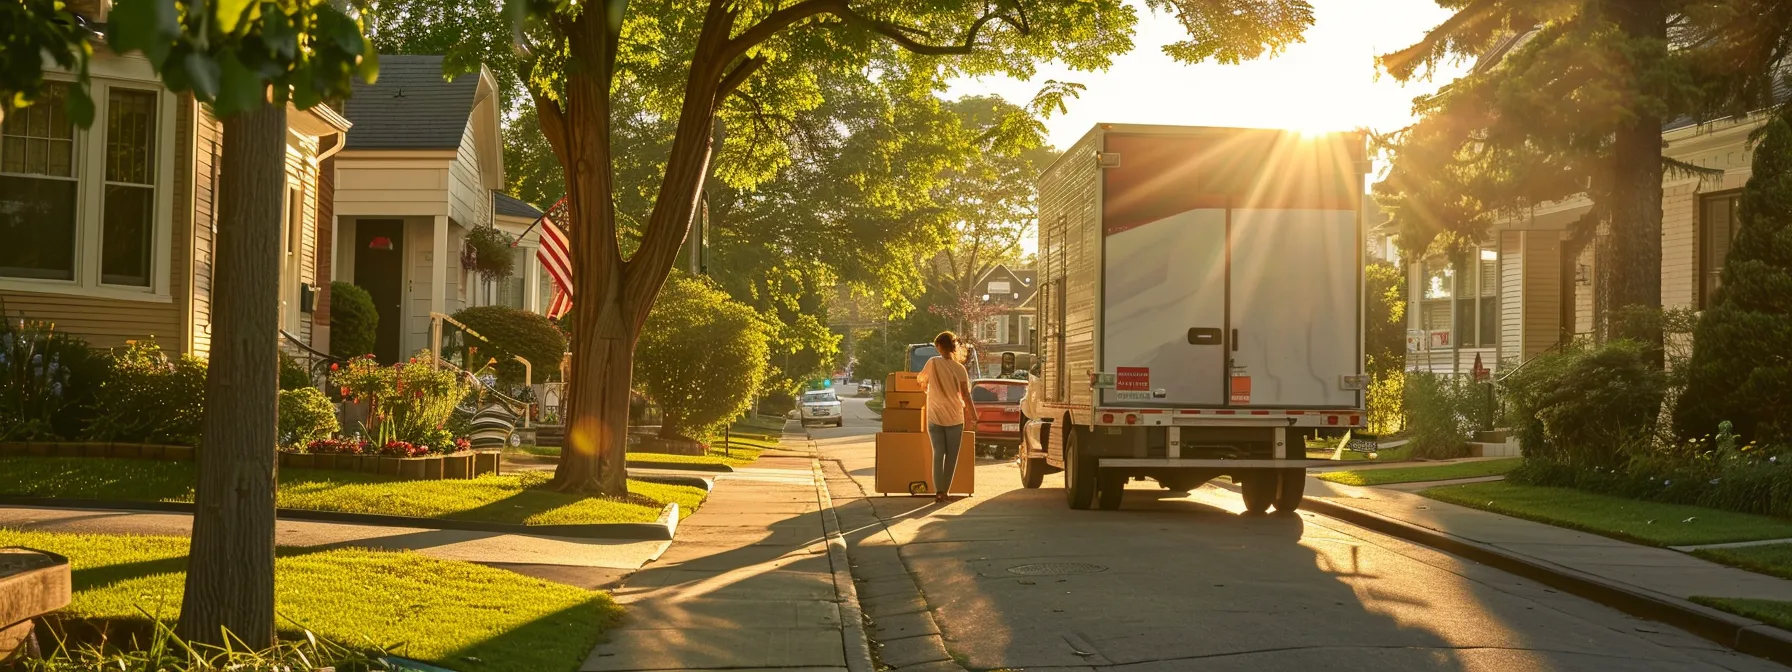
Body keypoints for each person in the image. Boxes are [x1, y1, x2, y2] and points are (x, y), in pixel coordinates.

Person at [916, 331, 977, 503]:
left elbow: (921, 380)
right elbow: (965, 395)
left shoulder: (932, 363)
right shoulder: (960, 369)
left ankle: (938, 491)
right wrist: (974, 415)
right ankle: (945, 492)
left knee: (938, 453)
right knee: (951, 457)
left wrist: (928, 389)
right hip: (955, 418)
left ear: (939, 347)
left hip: (934, 416)